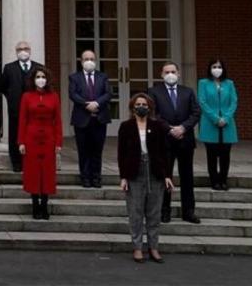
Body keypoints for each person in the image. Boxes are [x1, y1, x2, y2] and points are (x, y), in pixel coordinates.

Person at [117, 92, 173, 264]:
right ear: (132, 107)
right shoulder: (126, 126)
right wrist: (123, 177)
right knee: (135, 212)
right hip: (134, 171)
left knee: (154, 213)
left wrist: (167, 175)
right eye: (138, 104)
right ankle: (137, 247)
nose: (141, 107)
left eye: (144, 105)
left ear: (149, 108)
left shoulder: (157, 126)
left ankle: (153, 247)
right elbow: (121, 153)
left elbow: (165, 152)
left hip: (155, 171)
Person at [149, 62, 201, 224]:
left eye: (173, 71)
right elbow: (154, 114)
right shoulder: (154, 92)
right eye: (167, 72)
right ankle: (165, 211)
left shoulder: (188, 92)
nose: (170, 74)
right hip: (164, 140)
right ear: (161, 74)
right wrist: (169, 129)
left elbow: (196, 112)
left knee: (187, 177)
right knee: (165, 176)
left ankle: (188, 211)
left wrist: (183, 128)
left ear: (178, 73)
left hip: (185, 140)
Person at [18, 68, 63, 220]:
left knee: (47, 173)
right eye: (38, 76)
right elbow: (22, 120)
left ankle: (44, 205)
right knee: (33, 172)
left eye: (43, 76)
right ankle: (35, 205)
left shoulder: (54, 96)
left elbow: (58, 121)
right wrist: (21, 142)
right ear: (33, 79)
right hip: (31, 138)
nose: (41, 79)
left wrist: (58, 142)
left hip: (49, 138)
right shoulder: (26, 96)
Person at [67, 50, 112, 188]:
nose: (89, 61)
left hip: (99, 119)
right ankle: (85, 178)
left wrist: (97, 103)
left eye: (92, 59)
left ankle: (96, 178)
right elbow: (73, 94)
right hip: (82, 119)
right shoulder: (74, 77)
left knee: (97, 150)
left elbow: (108, 93)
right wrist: (86, 104)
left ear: (95, 61)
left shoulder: (103, 76)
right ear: (81, 62)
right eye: (86, 59)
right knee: (83, 150)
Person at [0, 41, 43, 172]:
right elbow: (3, 87)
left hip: (34, 109)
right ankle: (16, 162)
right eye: (19, 49)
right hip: (16, 109)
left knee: (33, 135)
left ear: (30, 50)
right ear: (16, 52)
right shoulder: (9, 68)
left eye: (25, 48)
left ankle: (31, 160)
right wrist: (12, 98)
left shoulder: (38, 67)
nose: (23, 51)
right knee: (14, 135)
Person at [197, 59, 238, 191]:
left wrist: (226, 118)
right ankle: (214, 181)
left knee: (225, 154)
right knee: (212, 154)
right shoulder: (203, 83)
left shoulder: (229, 83)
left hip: (227, 123)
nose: (217, 69)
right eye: (214, 66)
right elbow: (202, 102)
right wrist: (215, 118)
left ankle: (223, 180)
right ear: (210, 69)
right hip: (210, 123)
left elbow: (234, 102)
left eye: (219, 66)